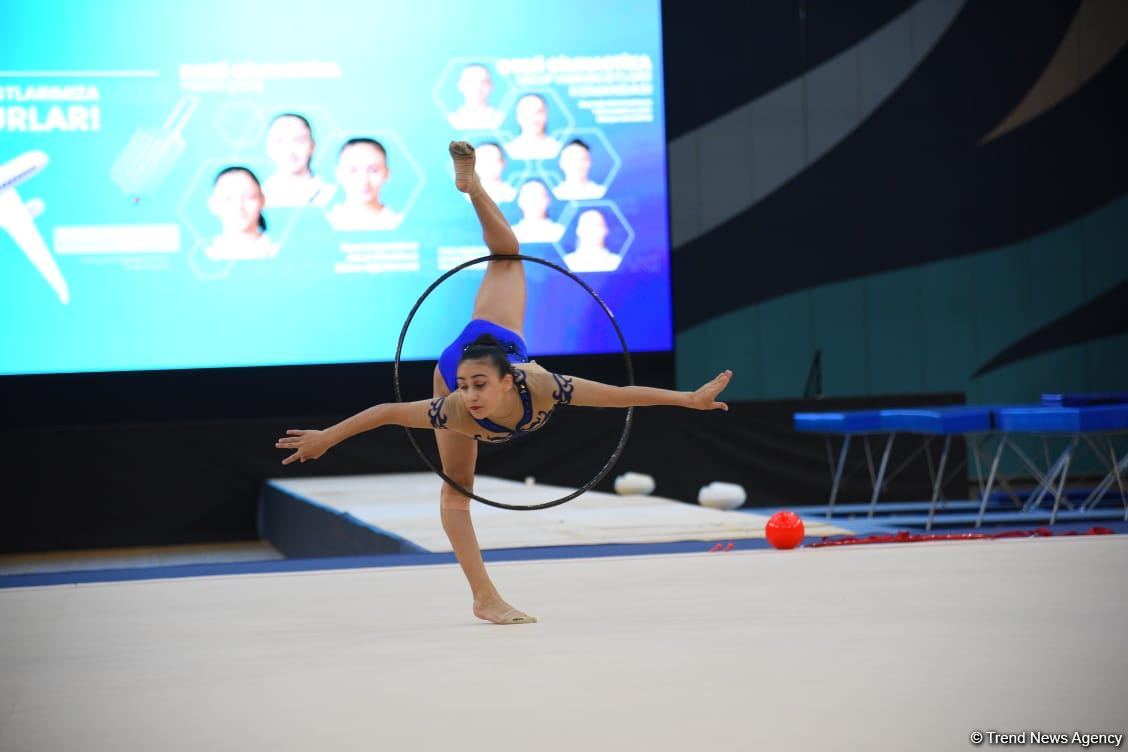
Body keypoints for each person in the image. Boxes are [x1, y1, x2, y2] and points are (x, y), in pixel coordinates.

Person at [275, 142, 734, 626]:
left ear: (510, 378)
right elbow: (387, 412)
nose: (470, 397)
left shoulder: (541, 385)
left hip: (496, 333)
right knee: (457, 492)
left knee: (509, 254)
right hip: (462, 356)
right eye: (466, 388)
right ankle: (484, 597)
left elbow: (620, 396)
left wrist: (689, 399)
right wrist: (328, 437)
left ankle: (473, 188)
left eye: (478, 388)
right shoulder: (452, 405)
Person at [326, 138, 403, 231]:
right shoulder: (325, 225)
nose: (364, 180)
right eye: (353, 170)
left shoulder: (401, 225)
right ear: (338, 174)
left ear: (387, 173)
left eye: (374, 170)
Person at [204, 166, 277, 261]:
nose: (239, 206)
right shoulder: (208, 256)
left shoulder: (277, 253)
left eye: (248, 197)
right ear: (213, 204)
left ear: (262, 201)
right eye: (228, 198)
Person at [262, 113, 332, 208]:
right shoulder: (261, 197)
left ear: (313, 146)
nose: (290, 150)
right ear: (268, 148)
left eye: (298, 140)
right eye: (280, 141)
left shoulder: (330, 195)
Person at [503, 94, 562, 161]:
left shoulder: (558, 150)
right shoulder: (508, 151)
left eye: (539, 112)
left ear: (546, 115)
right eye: (527, 112)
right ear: (518, 117)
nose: (533, 118)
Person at [447, 64, 505, 131]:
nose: (477, 87)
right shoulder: (452, 120)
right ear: (460, 85)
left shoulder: (500, 118)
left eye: (483, 82)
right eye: (471, 82)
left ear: (491, 86)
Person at [512, 179, 564, 243]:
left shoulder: (559, 232)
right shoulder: (512, 233)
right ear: (519, 201)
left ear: (548, 200)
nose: (534, 202)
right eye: (529, 196)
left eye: (540, 195)